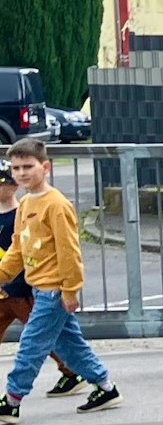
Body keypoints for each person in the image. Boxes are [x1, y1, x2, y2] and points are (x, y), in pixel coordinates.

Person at [0, 139, 122, 424]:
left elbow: (69, 252)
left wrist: (70, 290)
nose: (21, 173)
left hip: (54, 290)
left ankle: (12, 400)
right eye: (16, 168)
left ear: (45, 167)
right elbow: (18, 248)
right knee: (69, 346)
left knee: (31, 344)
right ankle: (106, 388)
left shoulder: (56, 205)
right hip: (39, 286)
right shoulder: (27, 204)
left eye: (28, 166)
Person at [0, 163, 82, 395]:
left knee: (43, 340)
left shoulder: (24, 211)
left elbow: (24, 252)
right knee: (41, 338)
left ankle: (71, 371)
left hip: (24, 291)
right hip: (4, 288)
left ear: (13, 185)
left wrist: (68, 289)